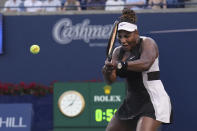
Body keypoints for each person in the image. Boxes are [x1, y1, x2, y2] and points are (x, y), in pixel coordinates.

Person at [102, 8, 172, 131]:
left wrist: (119, 65)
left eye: (127, 36)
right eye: (120, 36)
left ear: (136, 32)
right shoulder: (117, 52)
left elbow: (145, 63)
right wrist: (107, 70)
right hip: (132, 101)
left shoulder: (147, 43)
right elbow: (110, 80)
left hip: (153, 99)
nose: (123, 40)